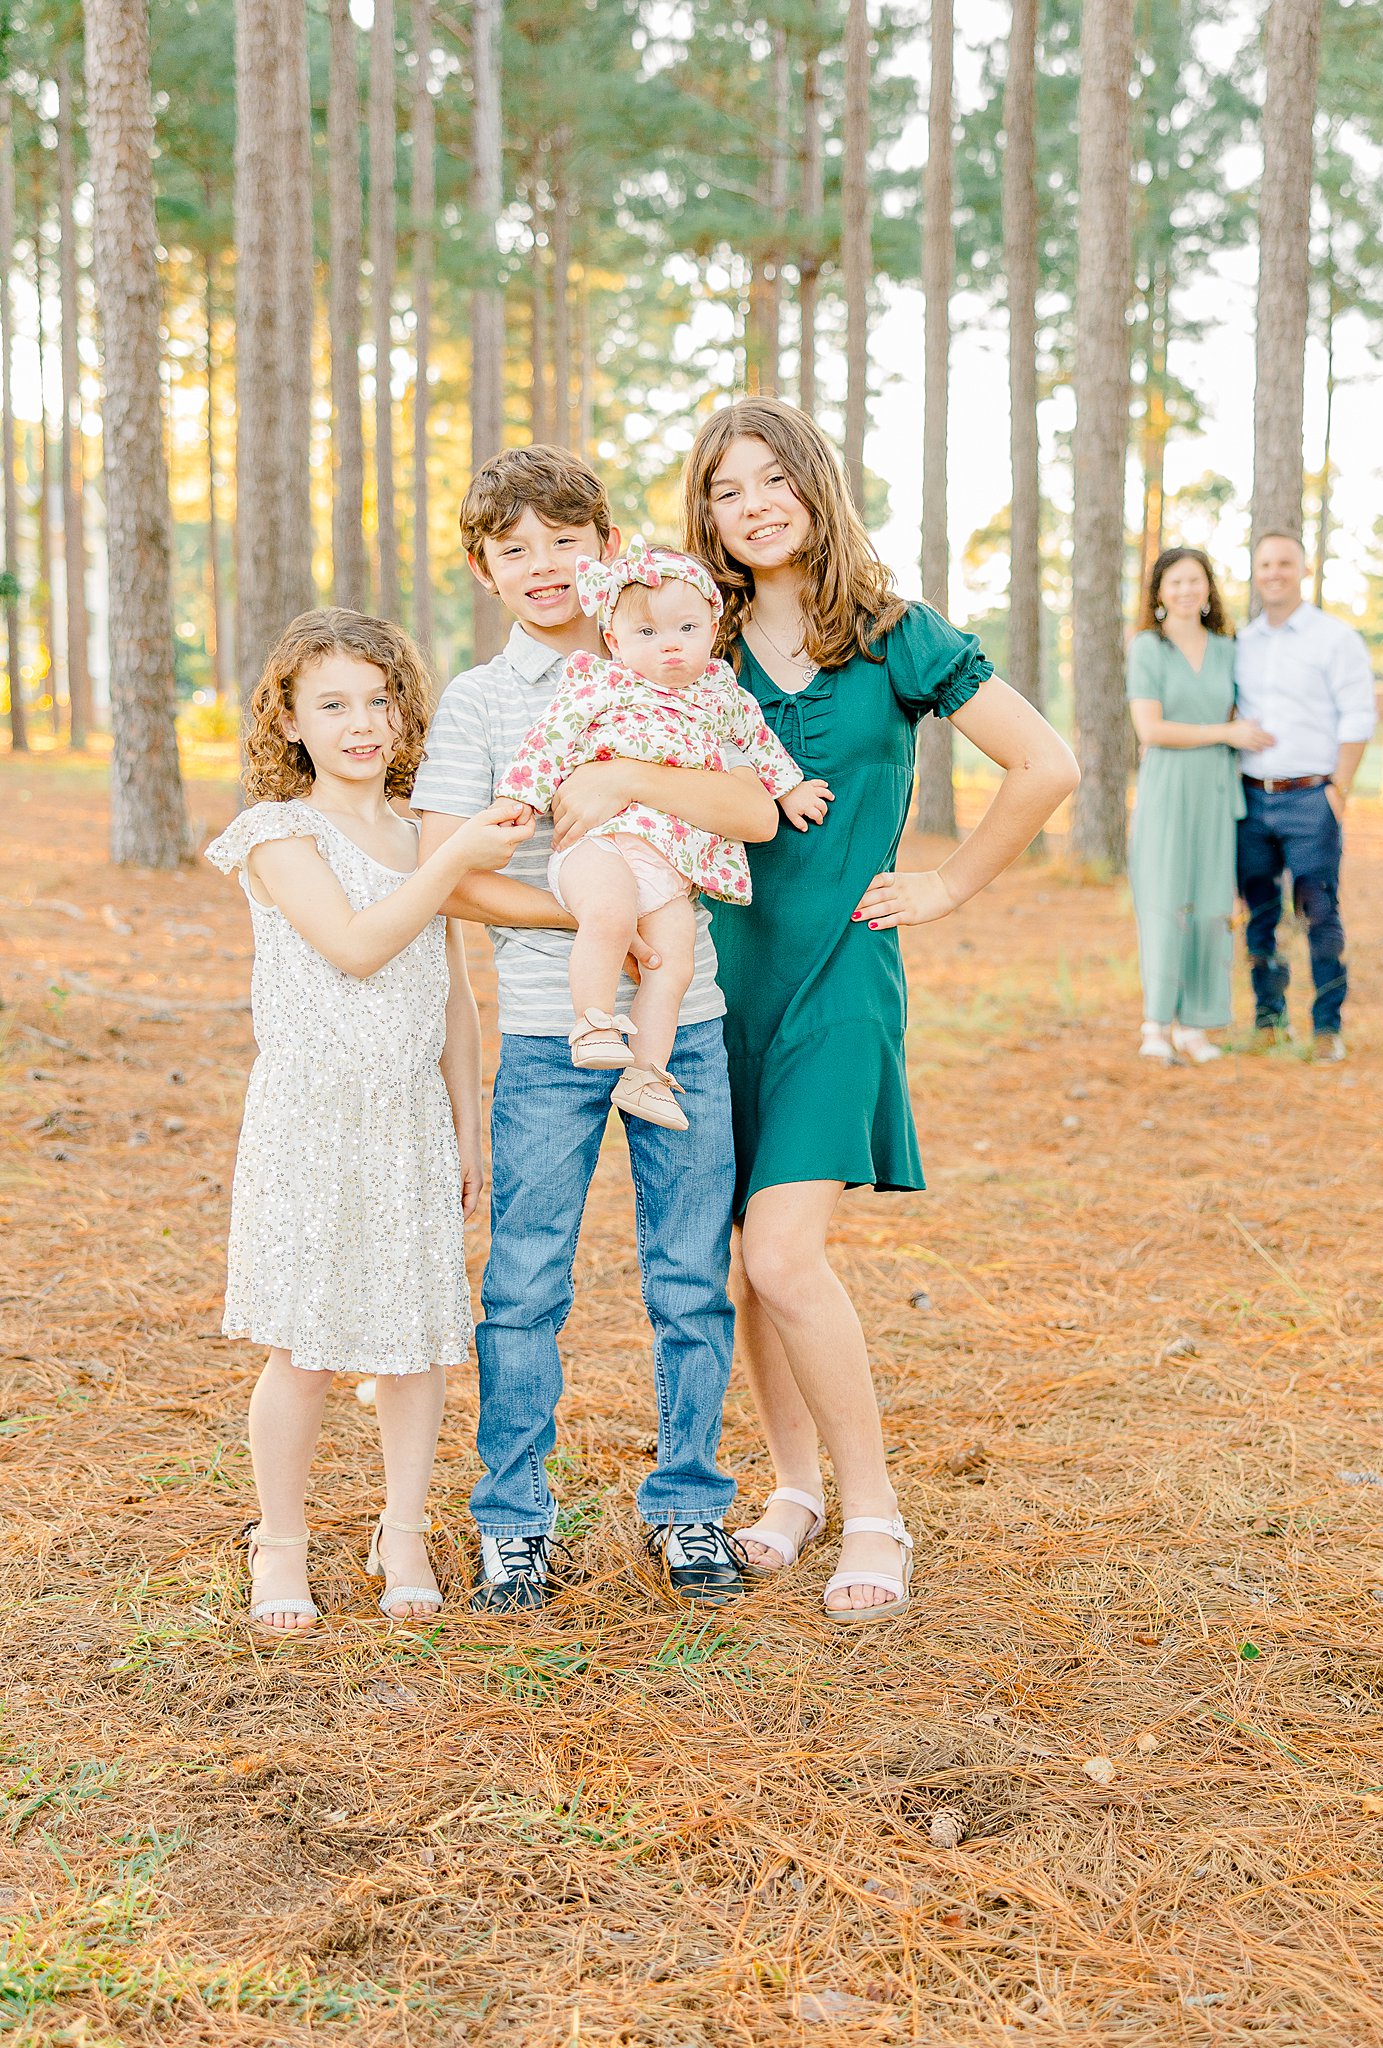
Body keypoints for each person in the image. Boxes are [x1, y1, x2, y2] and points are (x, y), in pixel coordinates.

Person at [680, 397, 1080, 1624]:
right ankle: (791, 1489)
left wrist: (951, 883)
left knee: (784, 1250)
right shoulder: (696, 645)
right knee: (746, 1263)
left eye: (770, 482)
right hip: (713, 979)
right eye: (725, 490)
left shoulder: (895, 634)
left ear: (814, 487)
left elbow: (1048, 762)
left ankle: (872, 1511)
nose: (751, 507)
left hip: (844, 979)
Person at [412, 445, 781, 1612]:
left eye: (566, 542)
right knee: (524, 1281)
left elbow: (752, 808)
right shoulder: (479, 701)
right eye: (514, 549)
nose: (545, 568)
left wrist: (624, 772)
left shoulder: (681, 661)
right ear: (484, 569)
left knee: (688, 1275)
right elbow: (450, 875)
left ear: (606, 547)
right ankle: (514, 1517)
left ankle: (689, 1507)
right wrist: (596, 918)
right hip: (542, 1028)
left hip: (688, 1021)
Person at [204, 609, 534, 1634]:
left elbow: (451, 994)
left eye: (380, 699)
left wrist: (466, 1126)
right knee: (304, 1344)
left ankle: (401, 1526)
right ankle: (282, 1539)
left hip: (406, 1116)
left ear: (405, 713)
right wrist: (451, 862)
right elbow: (355, 943)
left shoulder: (417, 829)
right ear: (291, 721)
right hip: (312, 1114)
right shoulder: (278, 833)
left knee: (414, 1341)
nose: (362, 722)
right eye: (333, 704)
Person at [494, 538, 825, 1131]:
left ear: (712, 629)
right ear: (615, 641)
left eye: (685, 628)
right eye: (646, 634)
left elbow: (757, 745)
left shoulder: (723, 693)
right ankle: (593, 1020)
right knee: (610, 914)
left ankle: (646, 1076)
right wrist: (520, 796)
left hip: (672, 865)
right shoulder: (600, 684)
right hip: (602, 845)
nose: (669, 644)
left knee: (674, 965)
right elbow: (548, 741)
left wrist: (788, 788)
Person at [1232, 532, 1377, 1061]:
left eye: (1284, 563)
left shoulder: (1334, 639)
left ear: (1303, 570)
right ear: (1256, 571)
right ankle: (1269, 1022)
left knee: (1318, 912)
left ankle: (1326, 1029)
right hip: (1250, 801)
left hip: (1312, 798)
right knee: (1260, 913)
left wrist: (1339, 789)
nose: (1274, 572)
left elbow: (1359, 715)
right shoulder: (1241, 644)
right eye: (1265, 563)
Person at [1126, 546, 1273, 1064]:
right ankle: (1156, 1023)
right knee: (1166, 903)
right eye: (1175, 582)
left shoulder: (1228, 647)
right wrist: (1226, 732)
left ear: (1208, 589)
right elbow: (1151, 729)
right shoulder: (1148, 647)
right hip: (1168, 788)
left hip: (1215, 788)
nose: (1186, 591)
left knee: (1211, 907)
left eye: (1195, 581)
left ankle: (1197, 1024)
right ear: (1160, 593)